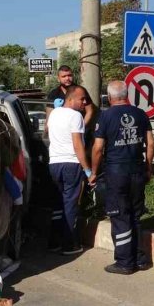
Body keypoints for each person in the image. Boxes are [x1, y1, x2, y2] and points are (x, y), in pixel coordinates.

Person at [90, 81, 154, 274]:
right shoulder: (141, 114)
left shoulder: (106, 116)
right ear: (127, 95)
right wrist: (148, 168)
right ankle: (140, 259)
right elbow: (151, 143)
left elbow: (98, 148)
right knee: (135, 215)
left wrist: (93, 172)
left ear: (110, 97)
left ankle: (125, 262)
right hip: (137, 169)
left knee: (120, 216)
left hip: (117, 172)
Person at [47, 85, 93, 255]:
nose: (84, 102)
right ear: (71, 99)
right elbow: (77, 144)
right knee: (70, 204)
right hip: (71, 164)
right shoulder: (76, 116)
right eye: (82, 99)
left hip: (54, 163)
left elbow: (47, 131)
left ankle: (53, 242)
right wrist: (87, 170)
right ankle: (69, 244)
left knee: (58, 203)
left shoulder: (54, 113)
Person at [47, 65, 97, 130]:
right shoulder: (54, 94)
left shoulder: (81, 91)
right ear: (58, 79)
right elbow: (49, 116)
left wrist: (81, 128)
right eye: (64, 76)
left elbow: (89, 111)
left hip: (81, 130)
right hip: (62, 131)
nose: (67, 78)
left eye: (69, 75)